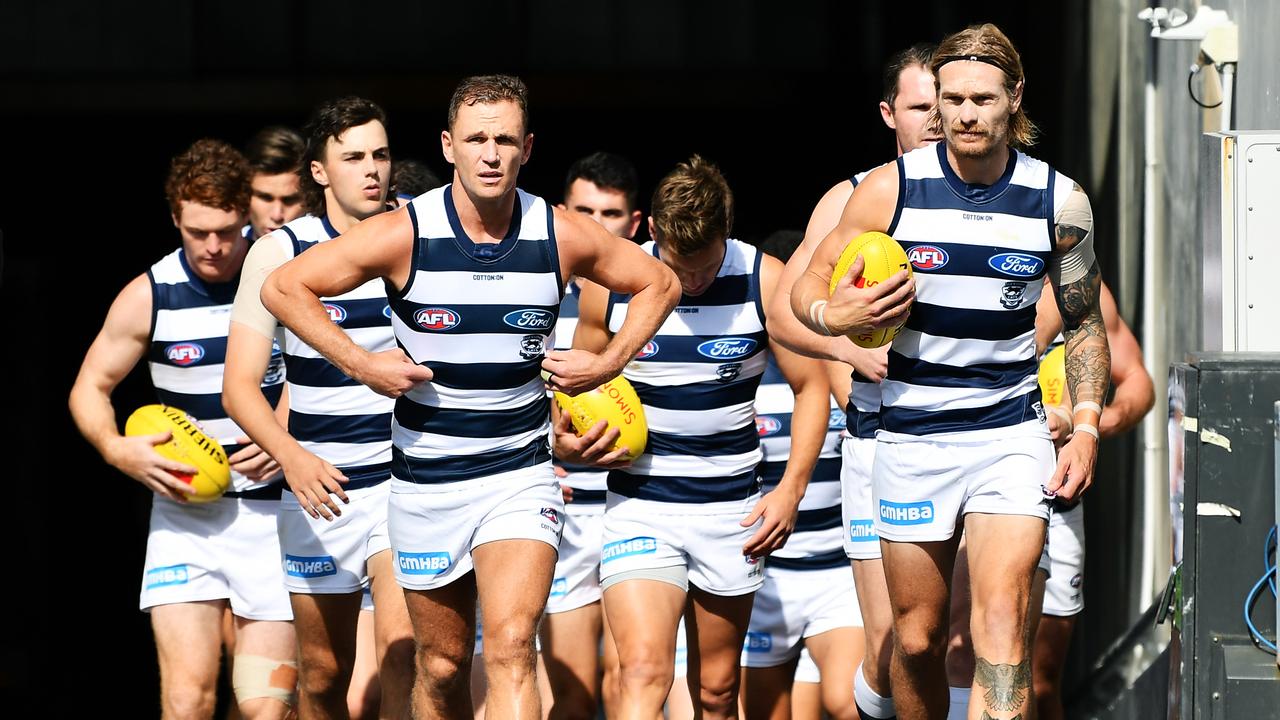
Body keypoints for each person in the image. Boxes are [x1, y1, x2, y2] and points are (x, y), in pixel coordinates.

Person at [261, 74, 681, 719]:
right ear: (447, 145)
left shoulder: (558, 232)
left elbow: (658, 282)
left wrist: (607, 362)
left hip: (520, 473)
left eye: (506, 140)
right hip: (426, 480)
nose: (491, 154)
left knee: (513, 646)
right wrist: (363, 364)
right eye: (477, 139)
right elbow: (285, 288)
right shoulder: (407, 231)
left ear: (529, 148)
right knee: (443, 665)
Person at [790, 23, 1110, 719]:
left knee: (1000, 630)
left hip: (1009, 436)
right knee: (917, 637)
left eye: (983, 99)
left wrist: (1085, 427)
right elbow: (804, 289)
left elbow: (1084, 322)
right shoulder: (888, 190)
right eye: (952, 98)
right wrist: (834, 317)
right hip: (909, 438)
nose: (966, 114)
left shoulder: (1062, 202)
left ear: (1014, 98)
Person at [563, 156, 829, 720]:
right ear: (653, 232)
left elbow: (812, 389)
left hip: (730, 513)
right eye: (679, 268)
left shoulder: (765, 277)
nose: (690, 283)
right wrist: (565, 441)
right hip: (640, 506)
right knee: (642, 672)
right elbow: (576, 382)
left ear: (727, 234)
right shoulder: (610, 284)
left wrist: (789, 492)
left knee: (715, 690)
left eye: (704, 270)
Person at [69, 139, 297, 719]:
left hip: (275, 518)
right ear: (175, 218)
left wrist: (284, 431)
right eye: (198, 232)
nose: (215, 246)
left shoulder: (282, 280)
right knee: (187, 701)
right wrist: (115, 448)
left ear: (246, 213)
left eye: (226, 229)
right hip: (185, 519)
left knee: (265, 707)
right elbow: (89, 386)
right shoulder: (150, 293)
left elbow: (333, 368)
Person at [222, 96, 415, 719]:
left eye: (380, 155)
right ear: (320, 172)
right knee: (326, 676)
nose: (371, 170)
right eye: (352, 157)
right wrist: (292, 458)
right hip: (316, 490)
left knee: (402, 654)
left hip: (404, 483)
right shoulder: (277, 254)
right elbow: (240, 387)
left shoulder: (422, 237)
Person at [766, 41, 940, 720]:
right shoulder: (852, 197)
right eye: (921, 106)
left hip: (973, 437)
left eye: (945, 105)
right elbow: (785, 313)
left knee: (964, 641)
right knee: (898, 645)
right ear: (889, 113)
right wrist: (843, 347)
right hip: (878, 440)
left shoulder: (993, 196)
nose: (935, 120)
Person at [741, 229, 864, 720]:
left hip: (839, 570)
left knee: (848, 703)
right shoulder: (740, 365)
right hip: (763, 576)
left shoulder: (857, 354)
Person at [541, 150, 644, 720]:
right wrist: (544, 445)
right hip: (562, 513)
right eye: (583, 211)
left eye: (610, 214)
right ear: (561, 213)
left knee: (632, 683)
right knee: (572, 695)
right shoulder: (527, 295)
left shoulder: (655, 300)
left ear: (634, 225)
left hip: (640, 506)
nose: (595, 227)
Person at [1029, 281, 1154, 720]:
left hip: (1058, 507)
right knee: (969, 668)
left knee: (1041, 684)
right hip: (974, 509)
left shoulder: (1081, 286)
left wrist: (1093, 424)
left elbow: (1138, 381)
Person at [244, 126, 306, 240]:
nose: (277, 216)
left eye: (289, 200)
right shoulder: (224, 252)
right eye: (265, 198)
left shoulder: (333, 252)